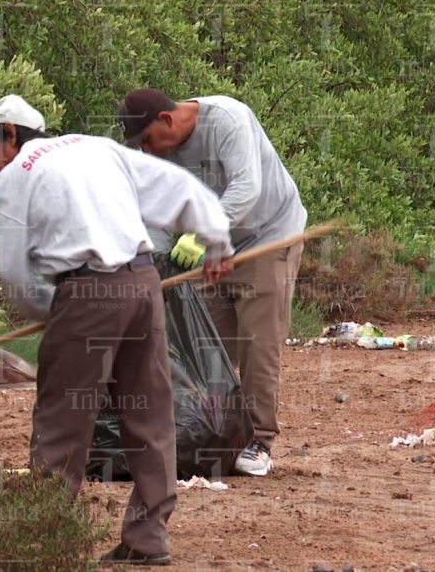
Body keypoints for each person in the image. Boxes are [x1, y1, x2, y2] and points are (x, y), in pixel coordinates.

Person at [0, 94, 235, 565]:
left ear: (9, 134)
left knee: (62, 420)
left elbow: (12, 274)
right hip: (144, 283)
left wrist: (48, 310)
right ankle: (148, 539)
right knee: (148, 413)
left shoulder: (14, 180)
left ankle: (46, 540)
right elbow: (173, 185)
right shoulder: (96, 146)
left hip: (86, 292)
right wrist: (217, 237)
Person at [115, 88, 307, 476]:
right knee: (204, 345)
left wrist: (202, 234)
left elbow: (246, 189)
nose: (147, 151)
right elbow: (162, 210)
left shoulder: (228, 120)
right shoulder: (161, 154)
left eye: (148, 140)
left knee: (258, 343)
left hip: (268, 238)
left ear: (166, 120)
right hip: (213, 247)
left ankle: (260, 441)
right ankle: (215, 435)